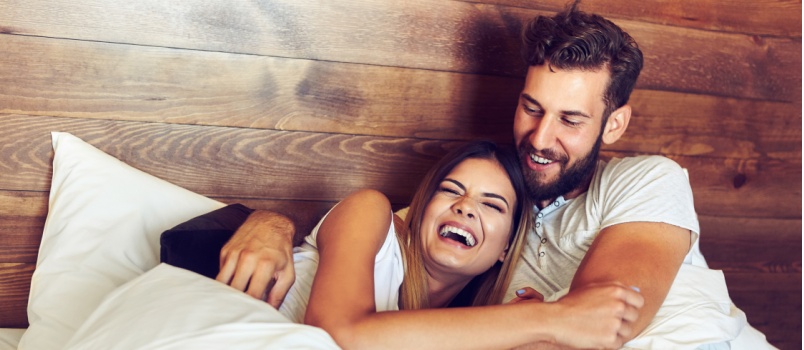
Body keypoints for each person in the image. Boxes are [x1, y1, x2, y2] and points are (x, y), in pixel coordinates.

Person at [219, 1, 765, 348]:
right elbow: (385, 236)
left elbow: (600, 323)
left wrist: (553, 321)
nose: (541, 137)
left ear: (615, 123)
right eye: (532, 107)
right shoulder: (495, 207)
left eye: (571, 120)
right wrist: (273, 221)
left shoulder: (646, 180)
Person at [224, 140, 644, 349]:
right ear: (422, 209)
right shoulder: (371, 214)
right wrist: (549, 318)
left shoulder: (450, 332)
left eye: (491, 205)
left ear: (505, 249)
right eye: (451, 190)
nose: (465, 207)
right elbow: (338, 334)